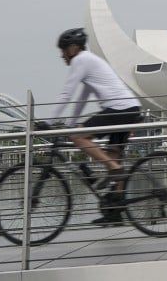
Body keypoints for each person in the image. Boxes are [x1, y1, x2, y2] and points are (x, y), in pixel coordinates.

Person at [47, 27, 142, 225]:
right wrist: (69, 125)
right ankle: (116, 212)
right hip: (130, 108)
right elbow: (82, 98)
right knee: (114, 155)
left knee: (80, 138)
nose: (61, 55)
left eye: (63, 50)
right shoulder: (88, 61)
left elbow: (67, 94)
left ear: (73, 48)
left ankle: (114, 170)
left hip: (119, 110)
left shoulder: (81, 60)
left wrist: (48, 123)